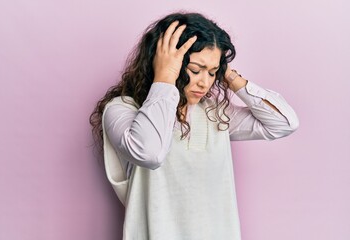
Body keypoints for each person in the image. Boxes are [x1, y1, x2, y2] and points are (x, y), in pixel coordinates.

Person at [90, 11, 299, 240]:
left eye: (212, 72)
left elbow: (283, 123)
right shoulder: (122, 109)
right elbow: (149, 153)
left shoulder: (213, 114)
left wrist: (229, 76)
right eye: (195, 70)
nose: (204, 82)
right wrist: (165, 77)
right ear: (163, 62)